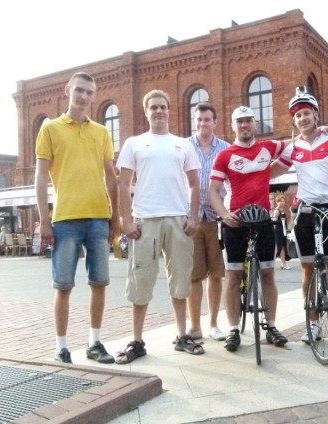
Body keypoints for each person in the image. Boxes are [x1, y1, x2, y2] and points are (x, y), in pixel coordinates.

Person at [34, 71, 119, 364]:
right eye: (79, 90)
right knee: (63, 285)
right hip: (65, 219)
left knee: (99, 282)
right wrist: (44, 219)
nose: (83, 96)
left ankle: (95, 342)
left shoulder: (101, 132)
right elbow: (40, 178)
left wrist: (116, 216)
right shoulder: (50, 129)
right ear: (67, 90)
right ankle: (61, 347)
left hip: (98, 218)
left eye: (89, 92)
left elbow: (111, 177)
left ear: (94, 96)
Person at [115, 89, 202, 363]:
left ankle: (182, 335)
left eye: (163, 106)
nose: (159, 111)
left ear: (169, 109)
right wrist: (125, 219)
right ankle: (137, 340)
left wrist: (194, 216)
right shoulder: (135, 144)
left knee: (180, 280)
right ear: (146, 111)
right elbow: (123, 183)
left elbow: (194, 184)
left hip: (178, 219)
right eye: (153, 107)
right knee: (141, 281)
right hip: (145, 221)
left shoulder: (183, 145)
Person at [272, 86, 328, 346]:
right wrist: (247, 176)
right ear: (294, 120)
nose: (303, 119)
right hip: (306, 210)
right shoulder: (293, 147)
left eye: (307, 113)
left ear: (315, 115)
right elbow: (273, 171)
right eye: (298, 116)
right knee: (308, 269)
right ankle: (312, 325)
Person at [208, 106, 288, 352]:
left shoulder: (267, 147)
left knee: (268, 275)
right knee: (232, 276)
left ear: (255, 124)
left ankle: (271, 325)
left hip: (263, 220)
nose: (244, 126)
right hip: (236, 222)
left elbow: (295, 145)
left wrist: (322, 130)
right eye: (239, 122)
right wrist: (224, 216)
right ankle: (233, 329)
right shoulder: (225, 155)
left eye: (248, 121)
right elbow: (213, 191)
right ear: (233, 126)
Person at [187, 102, 230, 342]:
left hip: (216, 219)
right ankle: (194, 326)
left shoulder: (225, 149)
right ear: (196, 122)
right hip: (191, 219)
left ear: (215, 122)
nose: (203, 123)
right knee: (194, 275)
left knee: (215, 273)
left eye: (207, 119)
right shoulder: (184, 147)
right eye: (199, 119)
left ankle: (213, 323)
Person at [272, 194, 291, 270]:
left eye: (283, 201)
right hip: (278, 231)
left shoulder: (282, 210)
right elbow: (274, 222)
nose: (282, 203)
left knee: (283, 247)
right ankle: (281, 263)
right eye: (281, 201)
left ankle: (283, 263)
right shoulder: (276, 211)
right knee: (278, 247)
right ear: (277, 202)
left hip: (283, 231)